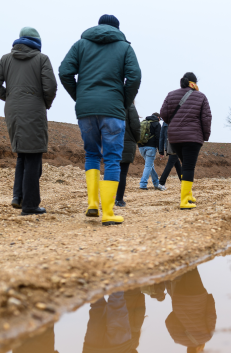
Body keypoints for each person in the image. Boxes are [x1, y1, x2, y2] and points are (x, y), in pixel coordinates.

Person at [59, 14, 141, 226]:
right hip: (113, 109)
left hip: (86, 109)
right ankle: (108, 212)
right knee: (113, 158)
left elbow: (64, 71)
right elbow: (134, 76)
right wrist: (124, 101)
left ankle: (92, 204)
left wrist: (80, 96)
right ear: (117, 28)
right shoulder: (125, 48)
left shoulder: (81, 44)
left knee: (92, 154)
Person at [0, 26, 58, 216]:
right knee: (33, 157)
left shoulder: (5, 59)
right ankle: (30, 205)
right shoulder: (42, 59)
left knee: (22, 154)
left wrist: (10, 98)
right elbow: (50, 86)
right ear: (37, 42)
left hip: (12, 111)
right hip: (34, 110)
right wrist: (45, 103)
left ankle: (17, 197)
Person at [69, 289, 147, 353]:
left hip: (120, 349)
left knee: (117, 304)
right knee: (96, 307)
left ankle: (115, 275)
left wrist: (131, 351)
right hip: (93, 352)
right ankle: (96, 278)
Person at [160, 72, 212, 210]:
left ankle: (188, 195)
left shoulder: (171, 95)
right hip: (192, 137)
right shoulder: (201, 96)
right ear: (194, 82)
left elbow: (164, 114)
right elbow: (206, 118)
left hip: (175, 137)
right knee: (189, 167)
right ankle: (184, 200)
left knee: (185, 165)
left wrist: (175, 123)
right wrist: (205, 136)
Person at [165, 268, 217, 353]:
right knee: (180, 269)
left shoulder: (206, 337)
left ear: (198, 350)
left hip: (197, 295)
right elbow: (169, 320)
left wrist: (209, 298)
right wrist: (179, 311)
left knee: (192, 265)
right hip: (179, 297)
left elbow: (211, 315)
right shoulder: (177, 338)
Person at [115, 103, 141, 207]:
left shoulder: (109, 103)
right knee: (122, 172)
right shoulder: (128, 105)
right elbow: (136, 125)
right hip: (126, 142)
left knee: (111, 170)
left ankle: (108, 198)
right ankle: (119, 199)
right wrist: (136, 139)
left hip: (110, 141)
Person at [138, 113, 163, 190]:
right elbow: (159, 138)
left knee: (150, 165)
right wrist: (161, 151)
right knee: (148, 166)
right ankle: (143, 184)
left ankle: (156, 183)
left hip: (141, 147)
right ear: (158, 117)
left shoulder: (144, 122)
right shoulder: (157, 124)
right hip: (151, 148)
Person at [158, 122, 182, 189]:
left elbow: (161, 137)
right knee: (170, 163)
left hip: (168, 146)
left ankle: (183, 182)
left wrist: (161, 151)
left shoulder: (165, 123)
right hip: (176, 146)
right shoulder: (178, 120)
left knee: (177, 164)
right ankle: (161, 183)